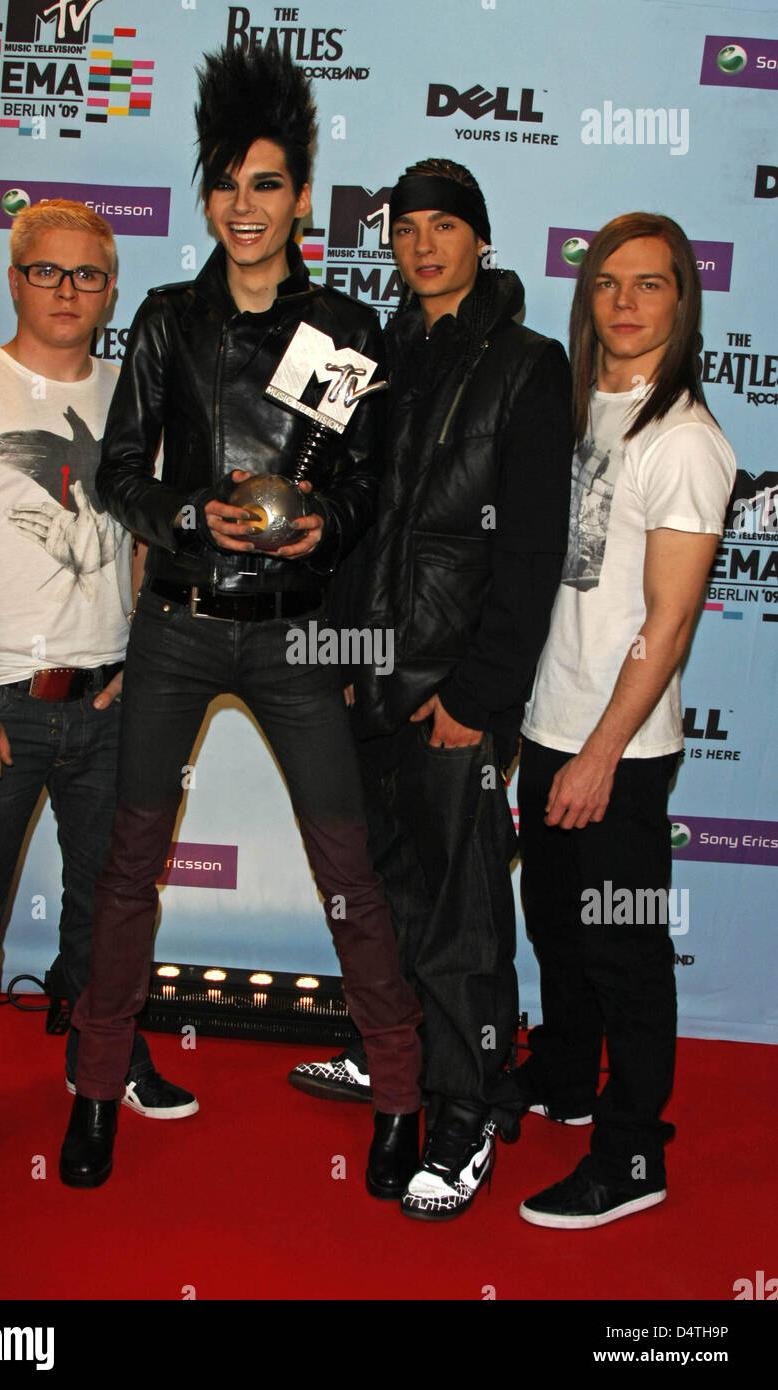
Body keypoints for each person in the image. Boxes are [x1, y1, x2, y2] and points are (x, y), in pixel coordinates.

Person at [61, 48, 422, 1191]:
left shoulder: (346, 326)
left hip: (295, 634)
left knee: (345, 868)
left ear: (301, 196)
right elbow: (119, 470)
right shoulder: (168, 319)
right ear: (205, 195)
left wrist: (324, 524)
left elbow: (364, 485)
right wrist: (184, 514)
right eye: (225, 184)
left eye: (266, 184)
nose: (244, 206)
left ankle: (400, 1097)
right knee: (128, 870)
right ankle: (95, 1089)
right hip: (174, 624)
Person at [289, 158, 573, 1221]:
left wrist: (479, 695)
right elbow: (314, 485)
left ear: (481, 240)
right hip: (354, 674)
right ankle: (397, 1057)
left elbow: (529, 550)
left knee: (460, 917)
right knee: (384, 892)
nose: (420, 243)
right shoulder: (366, 352)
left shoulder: (527, 365)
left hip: (450, 689)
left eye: (443, 225)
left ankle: (468, 1106)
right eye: (404, 226)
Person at [0, 200, 196, 1172]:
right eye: (48, 272)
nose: (68, 291)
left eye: (89, 276)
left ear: (111, 289)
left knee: (111, 907)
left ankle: (106, 1061)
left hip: (112, 706)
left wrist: (140, 669)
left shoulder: (132, 399)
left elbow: (156, 543)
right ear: (14, 278)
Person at [515, 213, 736, 1228]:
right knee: (556, 931)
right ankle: (563, 1078)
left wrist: (602, 752)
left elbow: (669, 618)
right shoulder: (576, 406)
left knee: (625, 953)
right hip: (544, 721)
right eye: (607, 282)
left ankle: (632, 1152)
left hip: (619, 748)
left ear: (680, 301)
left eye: (648, 285)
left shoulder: (683, 439)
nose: (624, 302)